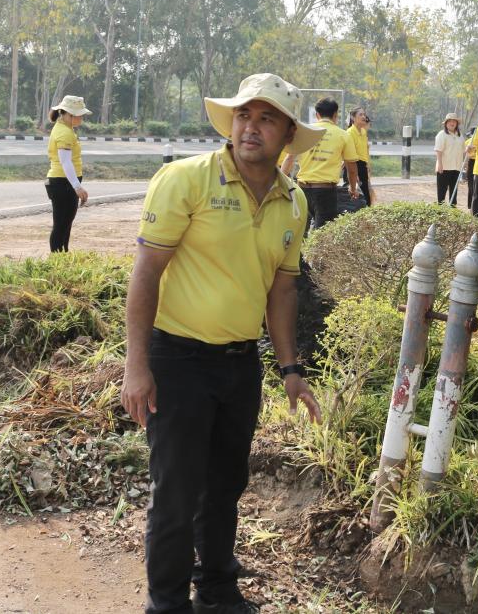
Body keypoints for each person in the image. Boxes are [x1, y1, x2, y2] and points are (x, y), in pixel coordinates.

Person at [121, 73, 324, 614]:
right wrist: (136, 366)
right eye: (243, 116)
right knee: (177, 493)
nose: (250, 127)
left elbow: (282, 289)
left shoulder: (293, 201)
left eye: (266, 119)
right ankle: (166, 602)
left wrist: (290, 367)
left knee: (226, 484)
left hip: (240, 365)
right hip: (179, 360)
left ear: (286, 136)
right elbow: (146, 273)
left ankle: (215, 587)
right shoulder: (185, 180)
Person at [283, 97, 358, 231]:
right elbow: (351, 168)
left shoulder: (304, 132)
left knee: (299, 233)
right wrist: (352, 188)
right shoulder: (343, 135)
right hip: (326, 192)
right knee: (321, 236)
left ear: (317, 114)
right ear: (335, 115)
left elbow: (289, 158)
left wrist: (280, 182)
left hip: (301, 190)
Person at [45, 95, 91, 253]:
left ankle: (63, 256)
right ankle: (57, 259)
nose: (81, 118)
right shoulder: (64, 133)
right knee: (61, 225)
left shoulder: (65, 128)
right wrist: (77, 187)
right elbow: (66, 162)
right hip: (63, 182)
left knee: (65, 224)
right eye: (79, 115)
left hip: (65, 182)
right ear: (68, 115)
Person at [434, 113, 465, 206]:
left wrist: (468, 151)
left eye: (454, 121)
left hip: (456, 167)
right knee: (442, 190)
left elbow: (463, 150)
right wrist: (440, 164)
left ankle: (452, 210)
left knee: (454, 190)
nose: (452, 123)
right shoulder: (442, 134)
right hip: (444, 167)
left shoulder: (460, 136)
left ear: (457, 123)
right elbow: (438, 150)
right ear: (446, 123)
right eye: (450, 121)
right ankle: (440, 210)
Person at [345, 105, 373, 205]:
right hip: (353, 166)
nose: (364, 117)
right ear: (353, 117)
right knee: (356, 197)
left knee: (366, 196)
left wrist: (367, 165)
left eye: (364, 114)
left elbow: (364, 150)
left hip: (362, 166)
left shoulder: (363, 131)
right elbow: (349, 157)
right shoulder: (349, 133)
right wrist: (355, 175)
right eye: (360, 114)